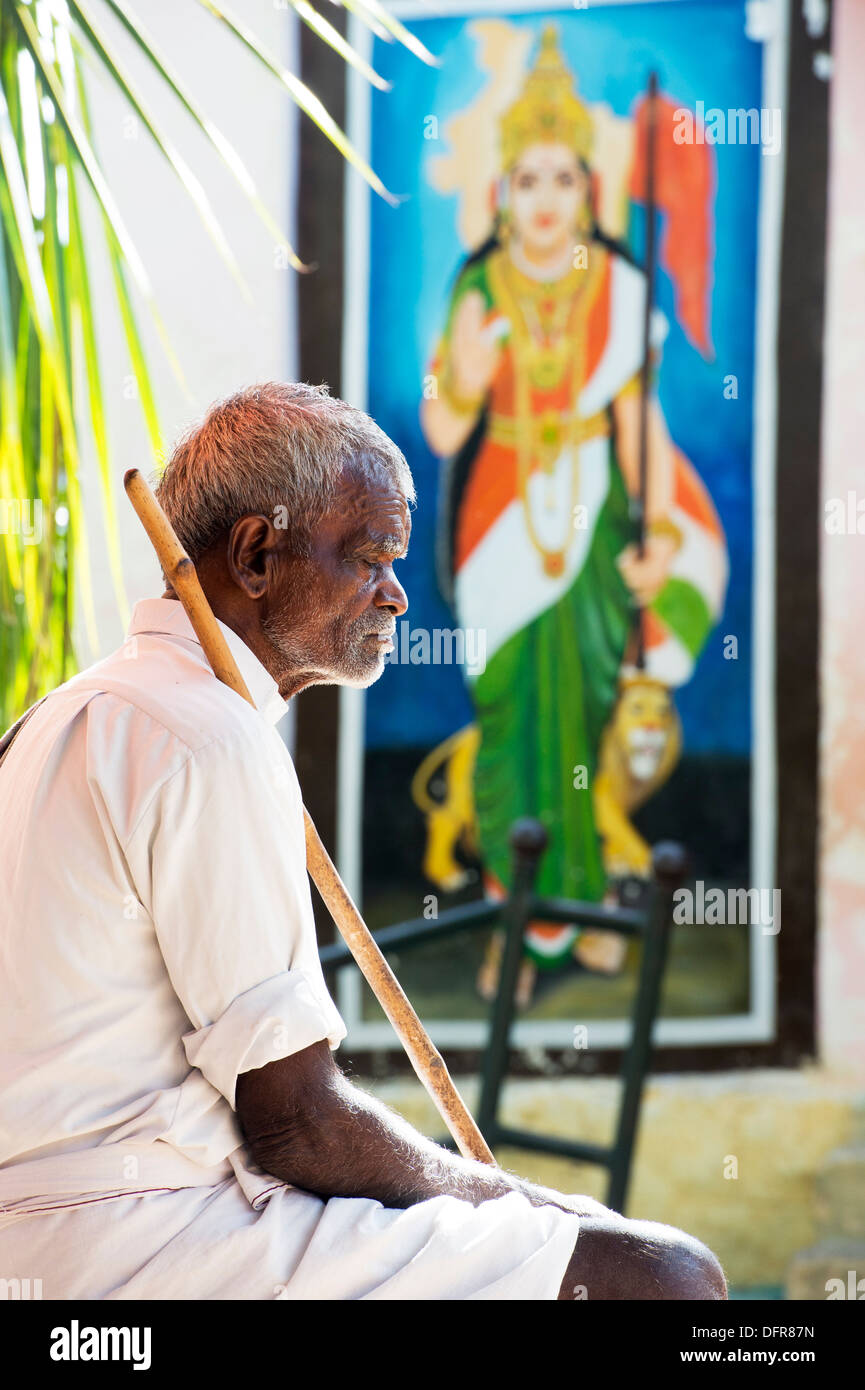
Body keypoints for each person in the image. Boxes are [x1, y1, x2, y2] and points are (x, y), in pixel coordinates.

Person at [0, 382, 725, 1300]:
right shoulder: (206, 738)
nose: (396, 593)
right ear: (257, 554)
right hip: (140, 1242)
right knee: (663, 1278)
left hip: (60, 1233)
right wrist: (518, 1201)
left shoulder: (62, 717)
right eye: (371, 555)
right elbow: (293, 1124)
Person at [420, 26, 727, 994]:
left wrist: (663, 534)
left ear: (587, 190)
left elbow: (636, 423)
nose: (545, 199)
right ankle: (517, 923)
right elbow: (436, 427)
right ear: (505, 186)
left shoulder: (620, 286)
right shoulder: (478, 281)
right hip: (498, 523)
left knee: (585, 723)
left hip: (591, 518)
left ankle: (584, 905)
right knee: (509, 719)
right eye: (528, 178)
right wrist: (463, 384)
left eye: (563, 179)